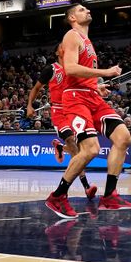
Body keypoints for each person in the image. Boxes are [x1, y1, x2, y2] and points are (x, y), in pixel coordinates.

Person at [45, 3, 131, 217]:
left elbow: (79, 75)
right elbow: (70, 68)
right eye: (82, 10)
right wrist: (105, 72)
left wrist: (96, 85)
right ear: (72, 18)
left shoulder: (87, 41)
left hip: (91, 96)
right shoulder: (71, 35)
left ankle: (110, 196)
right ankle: (58, 196)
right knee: (91, 149)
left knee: (123, 138)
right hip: (76, 99)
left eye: (87, 9)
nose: (88, 11)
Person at [28, 44, 97, 199]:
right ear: (58, 52)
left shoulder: (75, 68)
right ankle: (86, 186)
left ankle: (60, 147)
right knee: (74, 145)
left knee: (81, 148)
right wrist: (29, 105)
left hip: (74, 108)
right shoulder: (51, 69)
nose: (65, 48)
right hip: (59, 111)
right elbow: (36, 88)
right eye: (62, 46)